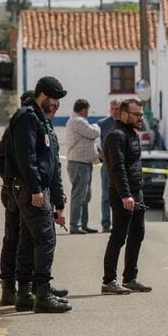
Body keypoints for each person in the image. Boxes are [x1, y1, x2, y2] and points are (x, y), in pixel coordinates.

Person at [0, 90, 70, 309]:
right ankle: (17, 289)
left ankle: (28, 291)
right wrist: (15, 184)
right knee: (19, 240)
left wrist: (58, 199)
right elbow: (8, 159)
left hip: (31, 189)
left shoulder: (45, 126)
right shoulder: (25, 122)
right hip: (22, 191)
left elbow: (52, 166)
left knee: (26, 240)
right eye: (53, 105)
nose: (54, 109)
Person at [101, 99, 153, 295]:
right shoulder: (115, 136)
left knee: (137, 234)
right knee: (118, 237)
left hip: (136, 192)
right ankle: (109, 281)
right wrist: (125, 195)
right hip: (123, 194)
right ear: (124, 114)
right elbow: (117, 167)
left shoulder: (132, 134)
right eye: (137, 114)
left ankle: (130, 278)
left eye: (141, 114)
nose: (141, 118)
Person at [66, 98, 101, 234]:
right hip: (78, 164)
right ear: (83, 109)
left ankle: (83, 224)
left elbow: (89, 138)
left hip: (84, 164)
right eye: (87, 110)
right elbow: (94, 133)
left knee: (85, 196)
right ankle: (75, 225)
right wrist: (97, 126)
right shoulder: (78, 121)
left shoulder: (78, 121)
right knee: (79, 195)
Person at [96, 99, 119, 232]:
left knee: (120, 194)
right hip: (106, 165)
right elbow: (93, 139)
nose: (115, 111)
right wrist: (98, 152)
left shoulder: (124, 123)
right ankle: (106, 223)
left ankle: (119, 223)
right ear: (110, 109)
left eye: (117, 109)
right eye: (113, 108)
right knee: (106, 195)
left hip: (120, 165)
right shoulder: (102, 124)